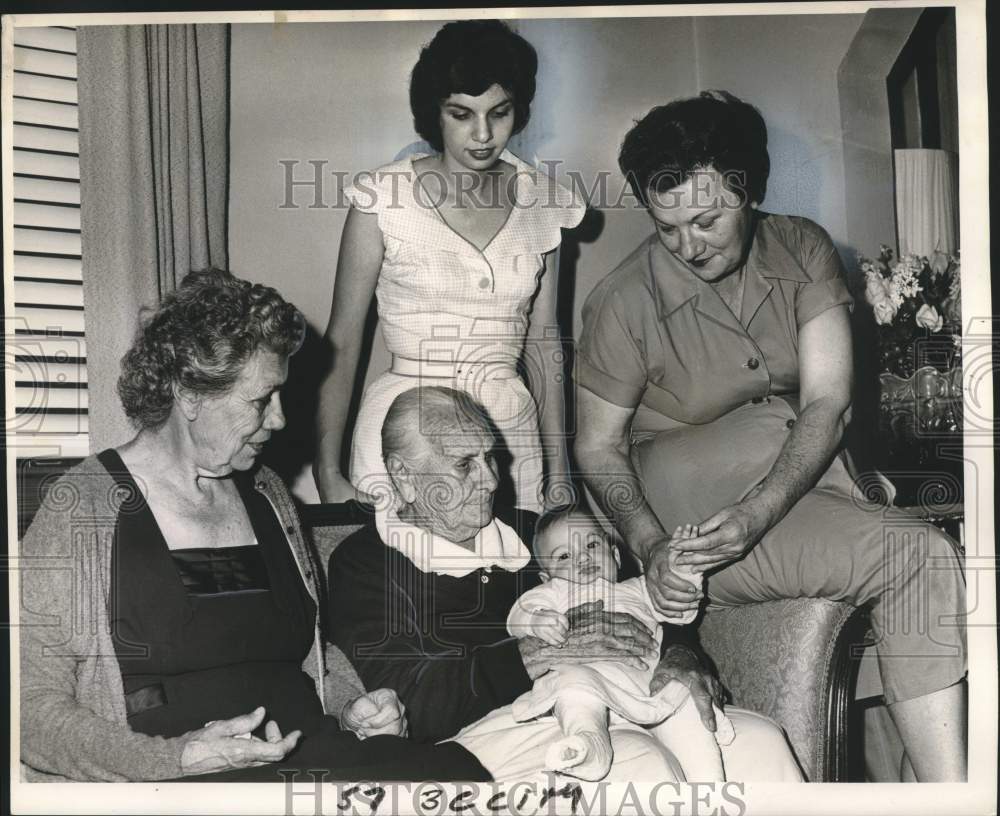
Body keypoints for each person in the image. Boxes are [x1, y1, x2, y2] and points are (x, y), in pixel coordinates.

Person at [573, 91, 967, 781]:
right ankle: (951, 794)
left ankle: (920, 782)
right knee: (917, 558)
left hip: (789, 492)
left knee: (919, 575)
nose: (688, 245)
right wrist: (649, 546)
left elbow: (828, 403)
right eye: (667, 229)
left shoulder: (801, 246)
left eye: (707, 219)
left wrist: (757, 515)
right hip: (691, 520)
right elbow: (597, 447)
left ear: (748, 191)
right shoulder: (621, 299)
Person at [18, 270, 488, 782]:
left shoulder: (266, 493)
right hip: (185, 777)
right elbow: (30, 708)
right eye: (262, 400)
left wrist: (356, 707)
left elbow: (299, 650)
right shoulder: (80, 506)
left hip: (312, 753)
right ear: (189, 394)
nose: (281, 419)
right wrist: (174, 757)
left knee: (462, 780)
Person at [328, 385, 803, 783]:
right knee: (641, 769)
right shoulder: (366, 563)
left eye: (489, 457)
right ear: (404, 478)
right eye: (464, 465)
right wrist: (539, 653)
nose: (491, 480)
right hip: (495, 730)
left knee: (761, 746)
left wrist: (679, 651)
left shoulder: (529, 529)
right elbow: (411, 701)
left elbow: (633, 593)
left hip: (623, 690)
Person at [314, 19, 585, 513]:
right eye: (461, 114)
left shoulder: (548, 204)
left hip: (507, 435)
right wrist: (326, 470)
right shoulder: (381, 200)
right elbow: (343, 340)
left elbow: (547, 348)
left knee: (511, 584)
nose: (483, 135)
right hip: (404, 429)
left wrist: (561, 472)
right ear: (434, 114)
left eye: (499, 113)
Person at [503, 507, 733, 782]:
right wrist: (538, 620)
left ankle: (710, 788)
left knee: (683, 698)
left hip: (649, 683)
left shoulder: (639, 588)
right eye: (564, 556)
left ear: (614, 555)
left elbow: (680, 612)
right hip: (592, 678)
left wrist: (685, 571)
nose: (583, 557)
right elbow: (518, 615)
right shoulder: (554, 593)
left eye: (591, 544)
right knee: (573, 689)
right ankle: (589, 745)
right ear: (546, 578)